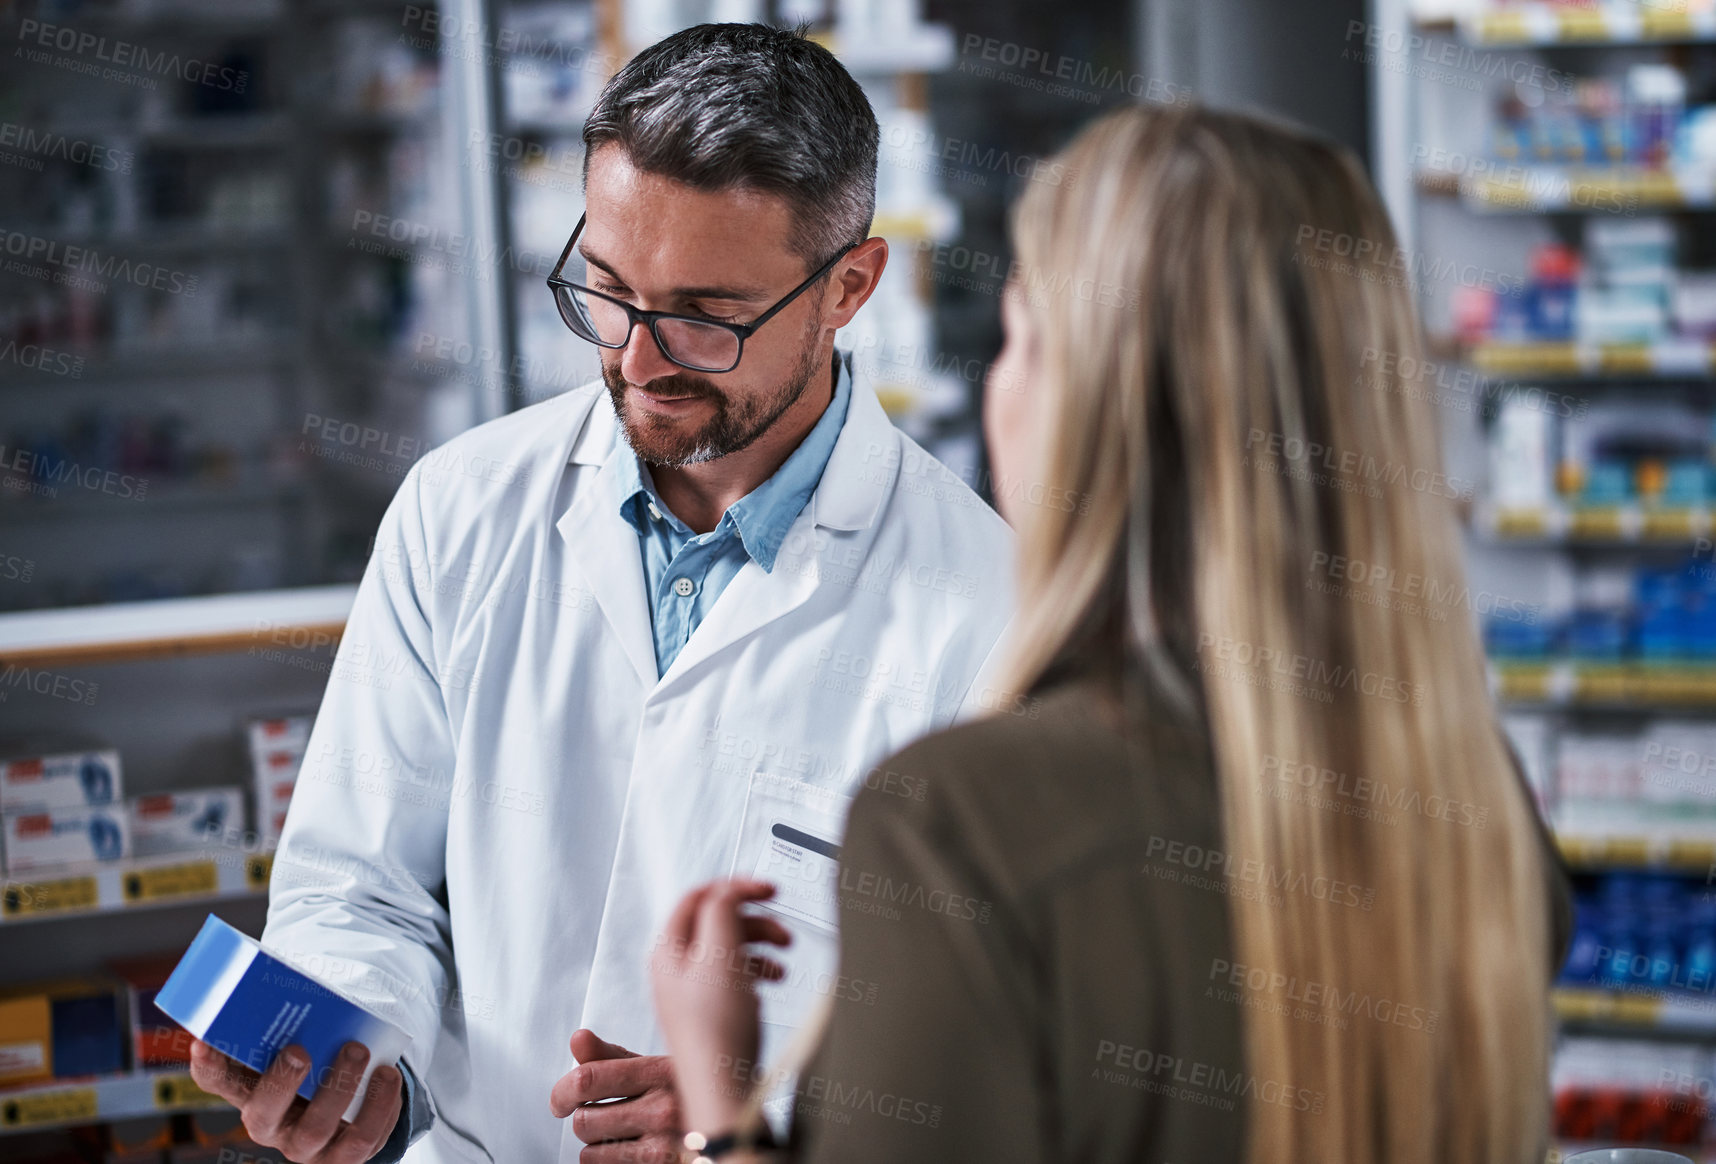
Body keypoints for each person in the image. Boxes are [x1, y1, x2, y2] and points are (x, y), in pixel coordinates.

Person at [649, 103, 1573, 1164]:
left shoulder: (964, 823)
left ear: (1090, 406)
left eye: (1022, 339)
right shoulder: (1475, 798)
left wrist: (723, 1115)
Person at [186, 24, 1014, 1164]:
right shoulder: (459, 511)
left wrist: (768, 1117)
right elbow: (360, 889)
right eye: (609, 291)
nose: (634, 358)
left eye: (706, 318)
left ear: (849, 289)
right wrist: (360, 1065)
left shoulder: (985, 610)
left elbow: (1002, 1051)